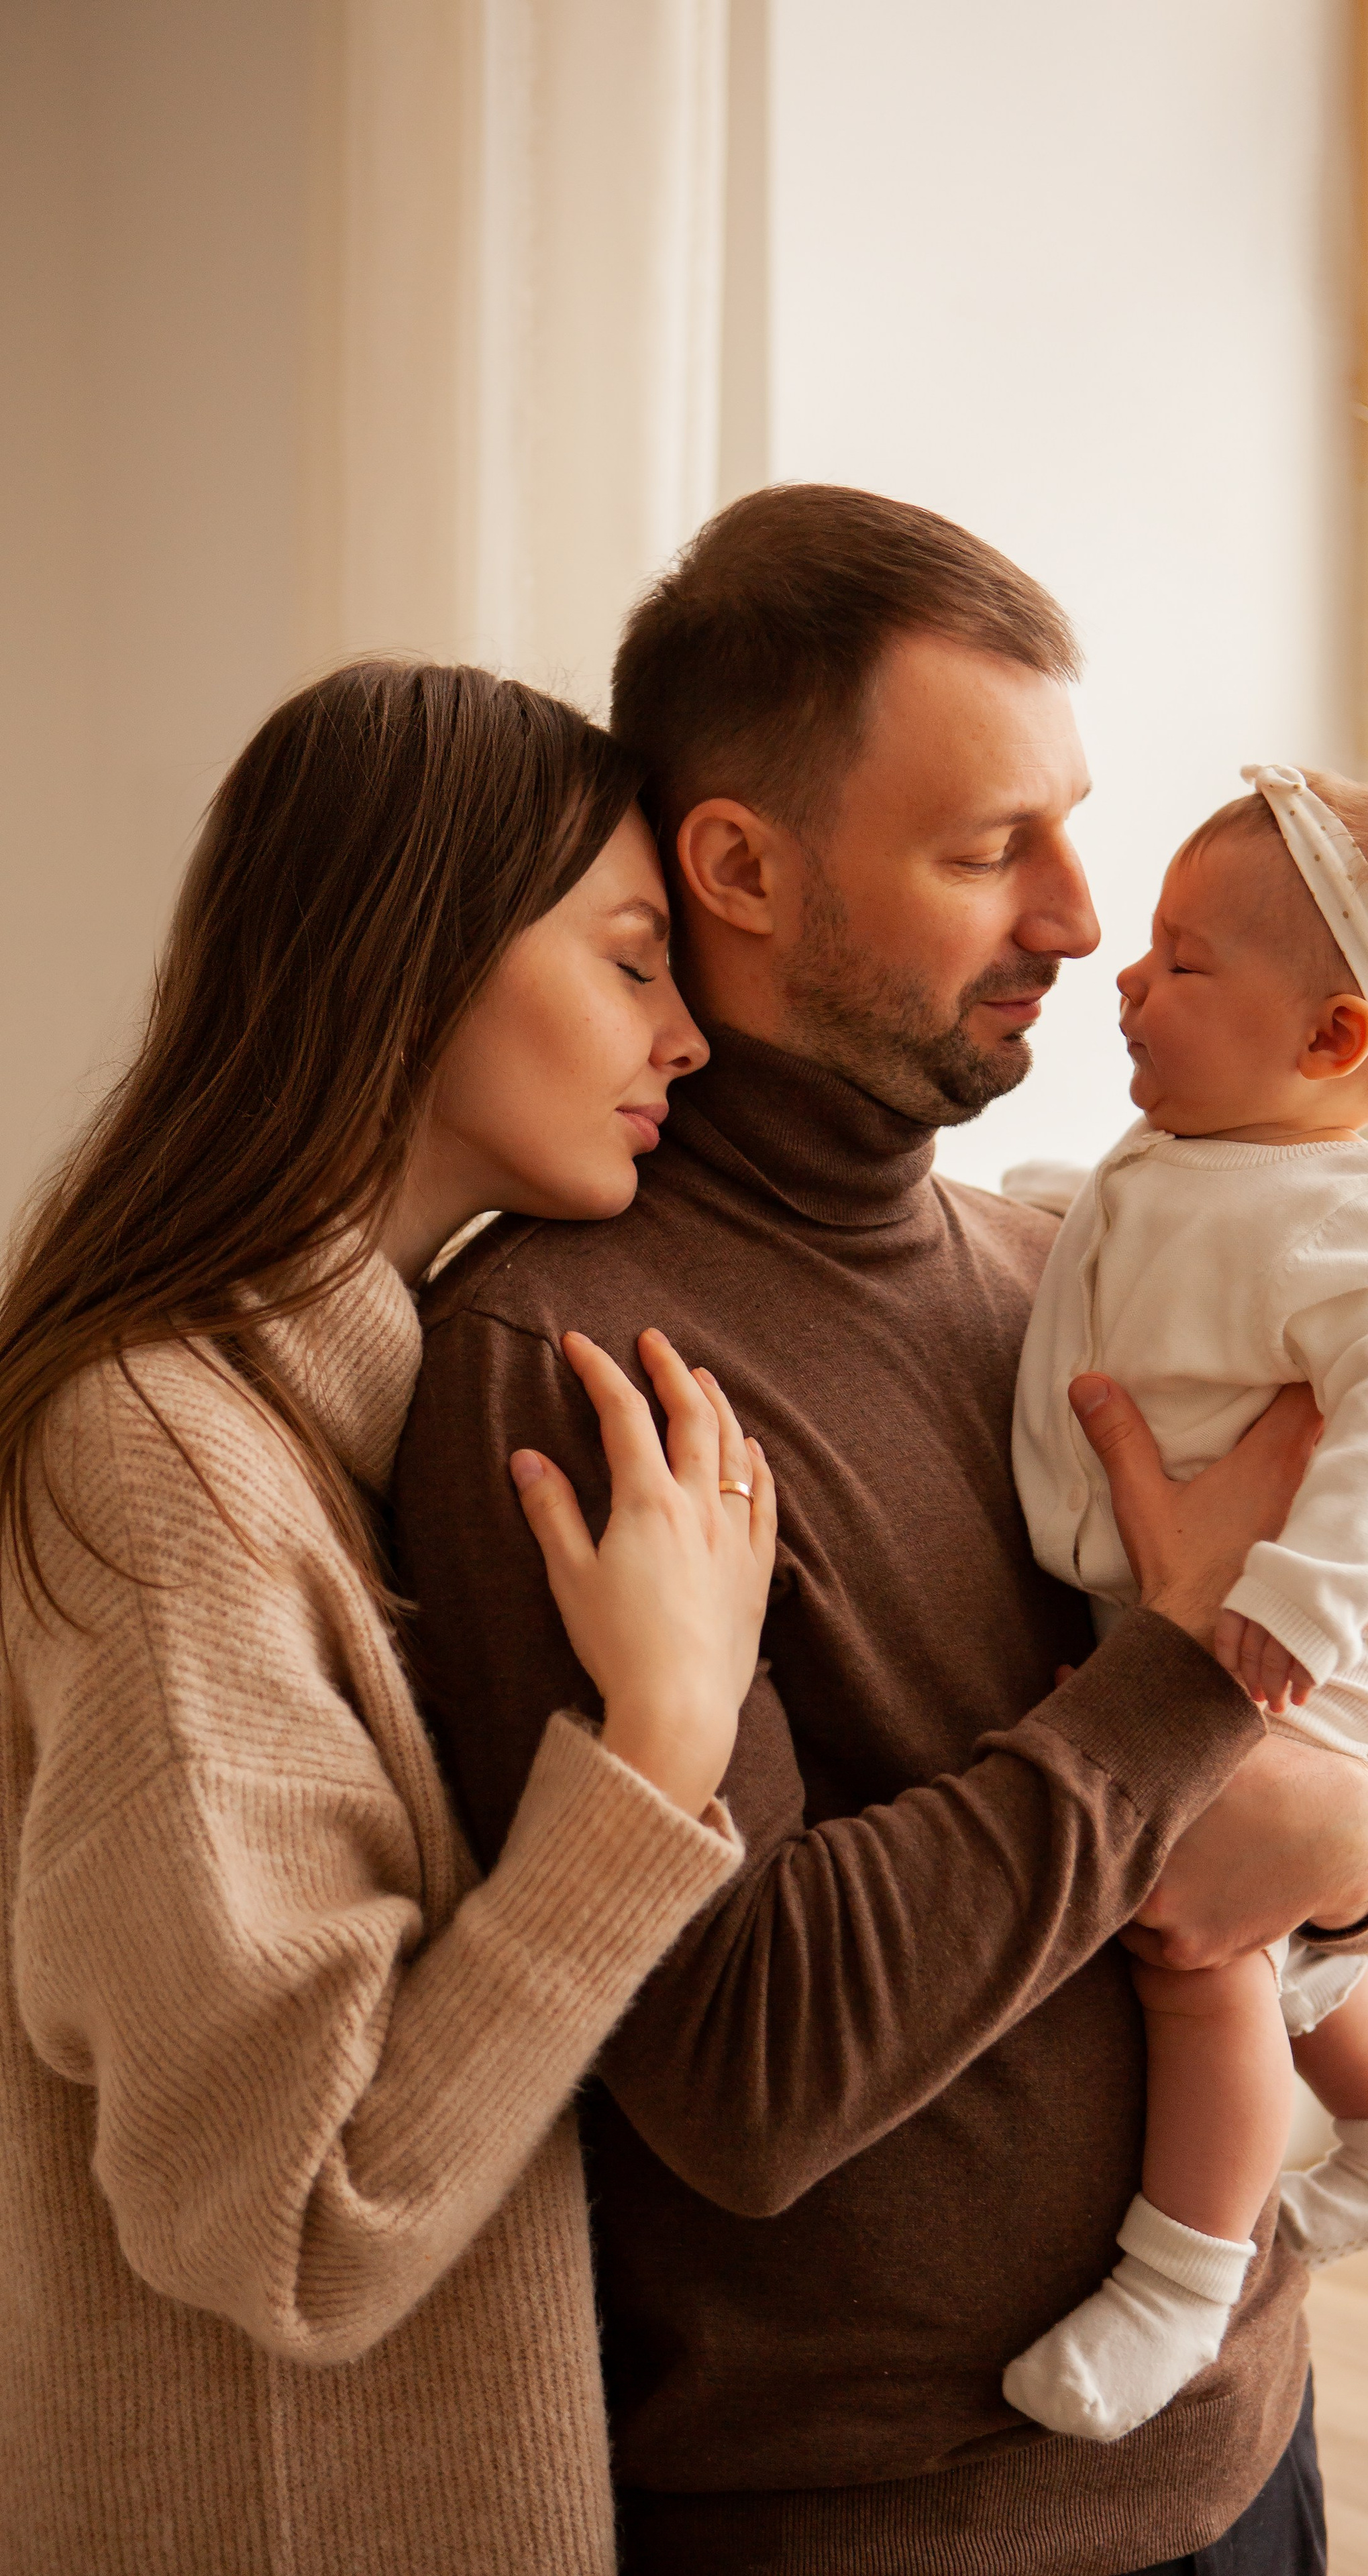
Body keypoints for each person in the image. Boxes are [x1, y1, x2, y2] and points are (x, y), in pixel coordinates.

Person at [394, 488, 1368, 2576]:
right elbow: (746, 2074)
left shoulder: (1072, 1268)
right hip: (906, 2533)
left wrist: (1360, 1835)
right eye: (988, 852)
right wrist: (1183, 1689)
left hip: (1246, 2437)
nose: (1079, 915)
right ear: (740, 871)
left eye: (1070, 831)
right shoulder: (578, 1367)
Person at [0, 659, 780, 2576]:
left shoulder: (328, 1414)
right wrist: (658, 1750)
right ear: (413, 958)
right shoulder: (163, 1458)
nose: (686, 1037)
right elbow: (299, 2223)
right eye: (632, 963)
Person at [1003, 763, 1368, 2441]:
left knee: (1199, 1943)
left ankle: (1179, 2281)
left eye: (1181, 958)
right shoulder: (1188, 1156)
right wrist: (1022, 1213)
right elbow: (1126, 1246)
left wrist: (1301, 1595)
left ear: (1329, 1039)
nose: (1123, 977)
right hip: (1197, 1622)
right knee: (1271, 1925)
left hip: (1304, 1653)